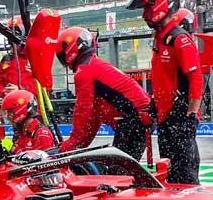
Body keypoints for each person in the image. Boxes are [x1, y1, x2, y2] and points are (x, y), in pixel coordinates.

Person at [127, 0, 203, 184]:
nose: (144, 15)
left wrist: (191, 116)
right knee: (169, 174)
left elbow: (196, 78)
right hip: (166, 118)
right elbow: (163, 79)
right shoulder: (160, 38)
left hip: (180, 118)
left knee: (184, 176)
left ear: (160, 6)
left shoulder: (179, 39)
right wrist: (154, 105)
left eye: (146, 8)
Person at [56, 26, 152, 159]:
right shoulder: (94, 65)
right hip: (139, 117)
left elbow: (83, 112)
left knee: (118, 171)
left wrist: (70, 145)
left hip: (135, 118)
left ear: (70, 51)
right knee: (118, 165)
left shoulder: (84, 72)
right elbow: (93, 118)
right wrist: (77, 145)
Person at [0, 16, 39, 99]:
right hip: (12, 105)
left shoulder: (35, 58)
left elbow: (44, 87)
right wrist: (4, 92)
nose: (13, 44)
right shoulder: (6, 59)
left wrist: (21, 90)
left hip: (32, 106)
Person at [1, 88, 55, 153]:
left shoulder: (42, 134)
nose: (8, 116)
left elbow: (41, 160)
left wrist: (13, 149)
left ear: (20, 110)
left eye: (10, 112)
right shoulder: (19, 132)